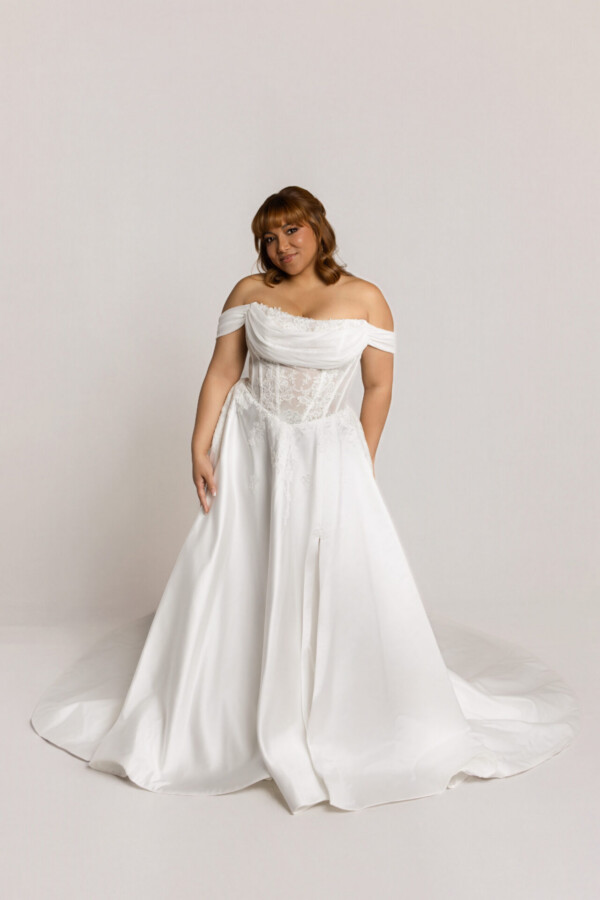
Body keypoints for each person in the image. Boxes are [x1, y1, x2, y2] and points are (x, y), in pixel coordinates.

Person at [30, 186, 580, 815]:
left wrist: (359, 462)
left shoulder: (367, 298)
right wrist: (199, 445)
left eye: (292, 231)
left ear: (318, 227)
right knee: (240, 566)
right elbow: (221, 372)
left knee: (332, 575)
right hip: (253, 446)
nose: (281, 247)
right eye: (269, 237)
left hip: (327, 453)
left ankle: (331, 711)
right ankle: (229, 709)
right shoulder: (249, 292)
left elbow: (377, 388)